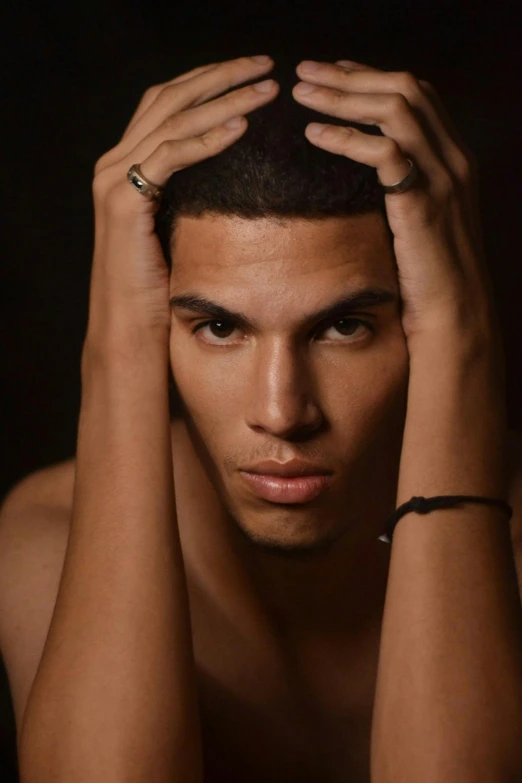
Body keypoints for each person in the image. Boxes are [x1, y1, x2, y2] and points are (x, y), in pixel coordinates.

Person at [1, 53, 522, 783]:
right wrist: (118, 349)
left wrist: (463, 340)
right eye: (218, 328)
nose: (282, 412)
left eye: (344, 327)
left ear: (425, 319)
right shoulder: (44, 533)